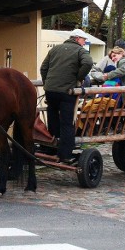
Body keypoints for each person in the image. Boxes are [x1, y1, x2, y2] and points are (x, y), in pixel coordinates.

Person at [40, 29, 93, 163]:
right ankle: (65, 154)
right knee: (67, 123)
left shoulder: (55, 49)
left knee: (52, 120)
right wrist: (78, 79)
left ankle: (51, 148)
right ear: (77, 39)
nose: (84, 43)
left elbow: (43, 68)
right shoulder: (80, 51)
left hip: (50, 91)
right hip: (67, 91)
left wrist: (47, 83)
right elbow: (88, 63)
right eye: (83, 40)